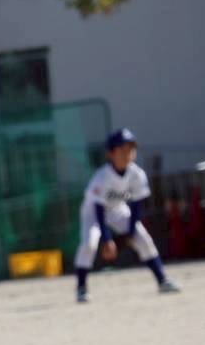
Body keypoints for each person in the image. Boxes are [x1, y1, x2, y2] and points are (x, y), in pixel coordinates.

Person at [74, 128, 181, 303]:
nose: (128, 153)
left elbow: (136, 206)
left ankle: (162, 280)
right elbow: (99, 209)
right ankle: (81, 287)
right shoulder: (101, 177)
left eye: (131, 149)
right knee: (89, 244)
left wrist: (131, 233)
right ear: (110, 153)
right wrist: (107, 239)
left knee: (142, 237)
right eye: (122, 149)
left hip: (117, 209)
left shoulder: (137, 174)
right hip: (93, 211)